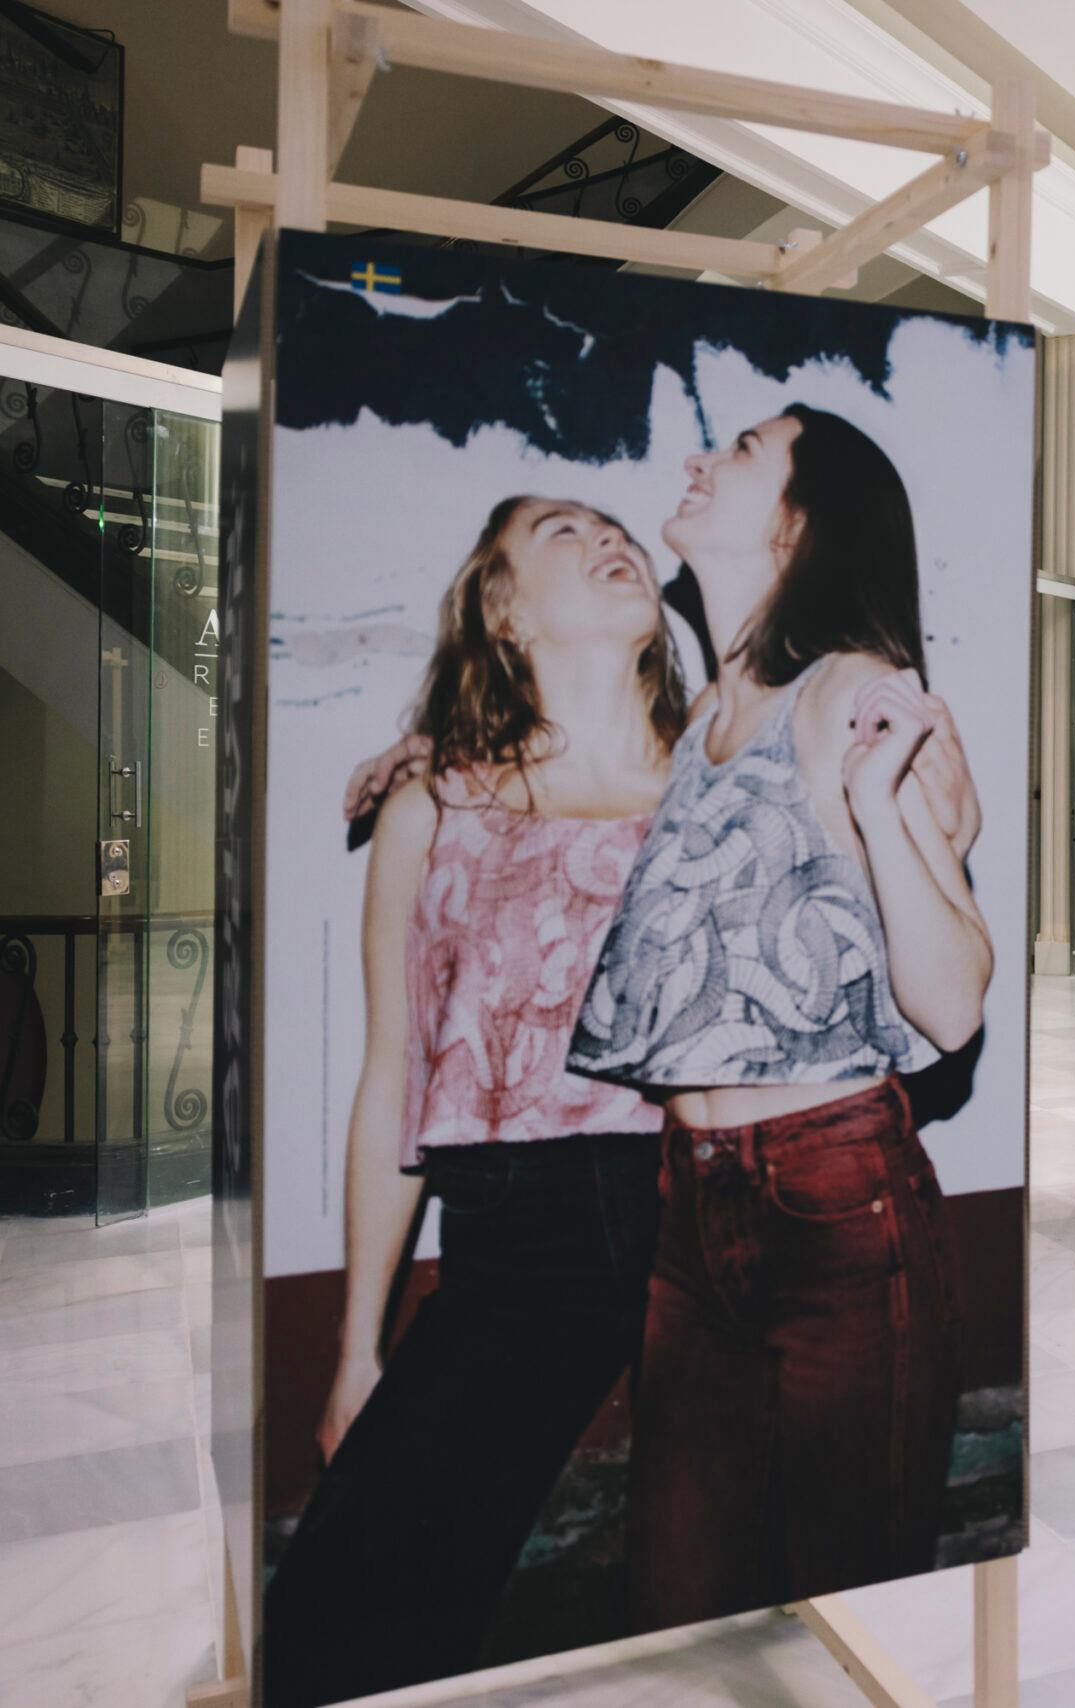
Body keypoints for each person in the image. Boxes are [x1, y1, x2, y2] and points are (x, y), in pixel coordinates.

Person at [565, 405, 991, 1627]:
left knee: (846, 1615)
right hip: (694, 1208)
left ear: (800, 522)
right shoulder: (709, 715)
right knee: (683, 1613)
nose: (701, 459)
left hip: (835, 1206)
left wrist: (880, 795)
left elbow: (953, 1004)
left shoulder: (852, 690)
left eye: (743, 451)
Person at [267, 498, 688, 1707]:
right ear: (503, 610)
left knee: (726, 1581)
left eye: (619, 528)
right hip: (522, 1237)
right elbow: (393, 1074)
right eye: (564, 531)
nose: (611, 537)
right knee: (348, 1612)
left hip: (711, 1211)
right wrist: (359, 1349)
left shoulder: (727, 779)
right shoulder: (433, 810)